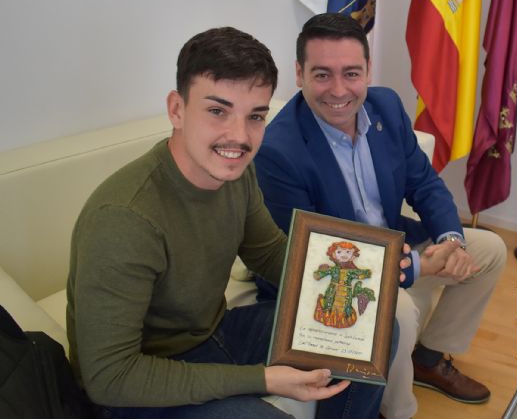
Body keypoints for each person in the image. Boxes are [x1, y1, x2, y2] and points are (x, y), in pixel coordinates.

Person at [66, 26, 407, 419]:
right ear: (177, 109)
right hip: (137, 388)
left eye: (255, 116)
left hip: (214, 334)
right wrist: (264, 379)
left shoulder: (236, 173)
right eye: (217, 111)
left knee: (373, 337)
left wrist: (362, 275)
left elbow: (272, 255)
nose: (239, 136)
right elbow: (110, 378)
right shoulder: (125, 219)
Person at [254, 13, 507, 419]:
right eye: (322, 75)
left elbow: (424, 183)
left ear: (368, 70)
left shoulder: (386, 105)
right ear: (299, 74)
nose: (339, 90)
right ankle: (396, 410)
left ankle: (428, 356)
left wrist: (450, 242)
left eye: (351, 73)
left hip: (395, 241)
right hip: (331, 275)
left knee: (489, 249)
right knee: (398, 314)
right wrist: (420, 266)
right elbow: (317, 259)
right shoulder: (277, 151)